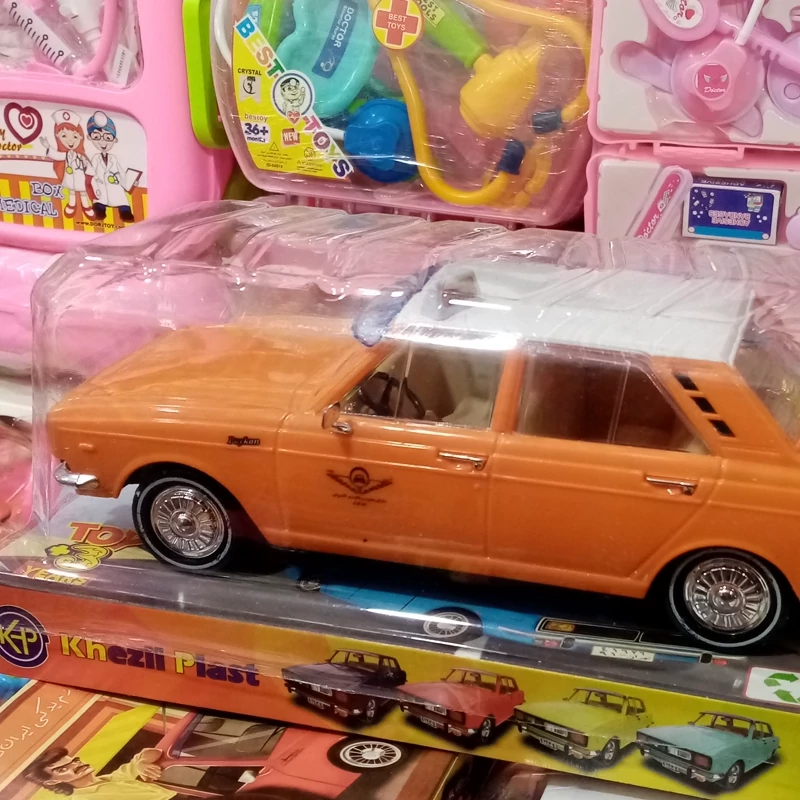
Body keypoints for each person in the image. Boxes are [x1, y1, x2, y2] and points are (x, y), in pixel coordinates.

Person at [23, 746, 176, 798]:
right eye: (63, 769)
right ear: (53, 781)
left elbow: (155, 752)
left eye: (74, 761)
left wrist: (142, 762)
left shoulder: (113, 777)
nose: (76, 765)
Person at [39, 110, 95, 221]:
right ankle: (71, 204)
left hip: (81, 179)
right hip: (70, 177)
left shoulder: (81, 156)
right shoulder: (66, 154)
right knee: (72, 191)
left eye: (75, 136)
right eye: (64, 136)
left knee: (83, 192)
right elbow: (57, 155)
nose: (70, 140)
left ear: (80, 137)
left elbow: (89, 166)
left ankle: (86, 206)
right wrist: (48, 146)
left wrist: (90, 174)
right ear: (57, 137)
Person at [87, 111, 135, 223]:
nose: (102, 141)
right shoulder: (95, 158)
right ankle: (100, 210)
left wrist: (129, 183)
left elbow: (121, 173)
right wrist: (93, 183)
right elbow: (91, 172)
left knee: (121, 199)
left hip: (114, 186)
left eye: (108, 138)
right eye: (97, 137)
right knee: (100, 201)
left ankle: (125, 213)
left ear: (114, 140)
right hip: (101, 186)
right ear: (90, 138)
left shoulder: (114, 158)